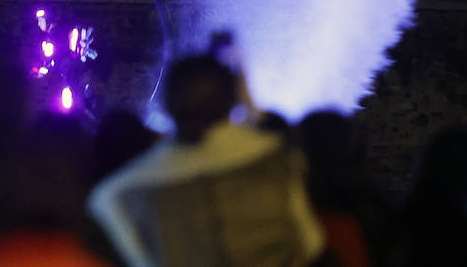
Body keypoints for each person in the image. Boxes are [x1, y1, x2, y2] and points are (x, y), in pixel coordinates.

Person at [88, 53, 326, 267]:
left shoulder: (122, 193)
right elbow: (310, 246)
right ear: (231, 101)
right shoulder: (280, 161)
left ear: (168, 105)